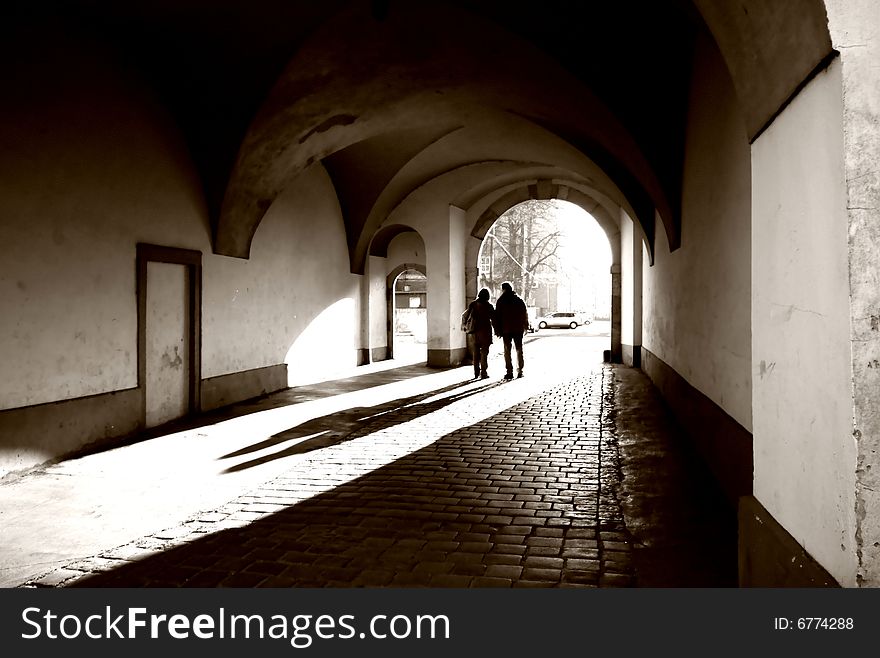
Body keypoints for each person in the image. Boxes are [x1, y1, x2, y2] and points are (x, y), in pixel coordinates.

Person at [492, 281, 529, 380]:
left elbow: (497, 317)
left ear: (503, 289)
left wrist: (497, 330)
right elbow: (524, 314)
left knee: (507, 351)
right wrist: (526, 326)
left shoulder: (501, 301)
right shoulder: (519, 300)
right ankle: (520, 371)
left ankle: (509, 372)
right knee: (519, 349)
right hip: (518, 329)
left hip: (506, 329)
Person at [462, 288, 495, 379]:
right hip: (485, 332)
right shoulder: (489, 306)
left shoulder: (473, 304)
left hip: (474, 332)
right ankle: (483, 372)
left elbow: (465, 315)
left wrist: (465, 326)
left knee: (475, 353)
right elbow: (494, 318)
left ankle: (476, 372)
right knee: (484, 353)